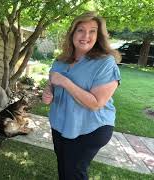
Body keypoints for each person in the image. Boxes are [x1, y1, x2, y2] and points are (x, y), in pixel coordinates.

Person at [42, 11, 121, 180]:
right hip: (61, 125)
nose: (86, 35)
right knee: (63, 167)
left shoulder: (105, 63)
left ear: (98, 35)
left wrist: (65, 81)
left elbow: (96, 103)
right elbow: (52, 82)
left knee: (74, 173)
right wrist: (48, 91)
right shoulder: (61, 60)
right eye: (80, 30)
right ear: (72, 33)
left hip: (89, 128)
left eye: (92, 31)